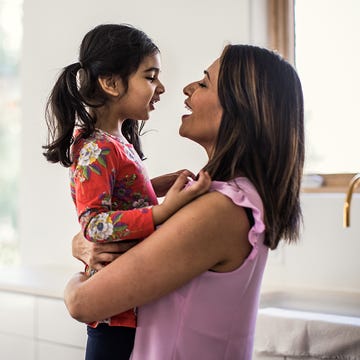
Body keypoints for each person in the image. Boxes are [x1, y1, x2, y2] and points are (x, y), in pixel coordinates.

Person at [64, 44, 305, 359]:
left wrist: (75, 283)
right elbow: (119, 235)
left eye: (204, 83)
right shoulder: (230, 197)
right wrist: (81, 242)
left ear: (240, 109)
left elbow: (83, 304)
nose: (187, 88)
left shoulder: (219, 210)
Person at [42, 24, 211, 360]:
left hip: (128, 302)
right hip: (114, 313)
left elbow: (125, 195)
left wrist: (162, 185)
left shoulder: (116, 143)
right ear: (111, 83)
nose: (161, 87)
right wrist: (161, 211)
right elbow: (94, 224)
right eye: (150, 77)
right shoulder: (96, 149)